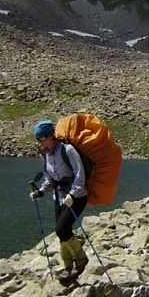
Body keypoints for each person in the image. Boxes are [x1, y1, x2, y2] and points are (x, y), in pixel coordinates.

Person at [29, 120, 89, 282]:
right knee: (62, 233)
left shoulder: (67, 150)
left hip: (77, 196)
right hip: (59, 197)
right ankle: (68, 267)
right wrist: (40, 192)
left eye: (41, 138)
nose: (39, 142)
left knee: (61, 228)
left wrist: (73, 194)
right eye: (37, 139)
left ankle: (81, 259)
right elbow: (50, 179)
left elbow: (79, 174)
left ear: (50, 136)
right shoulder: (45, 155)